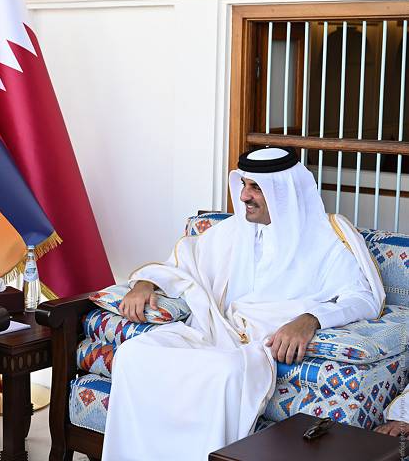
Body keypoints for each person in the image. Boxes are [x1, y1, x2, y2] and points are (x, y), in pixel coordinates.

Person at [101, 147, 385, 461]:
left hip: (256, 344)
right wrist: (146, 283)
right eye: (244, 185)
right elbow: (183, 263)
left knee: (225, 371)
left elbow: (363, 297)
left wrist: (311, 319)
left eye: (256, 188)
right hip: (213, 330)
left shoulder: (327, 238)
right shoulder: (233, 231)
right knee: (133, 353)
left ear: (283, 191)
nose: (244, 196)